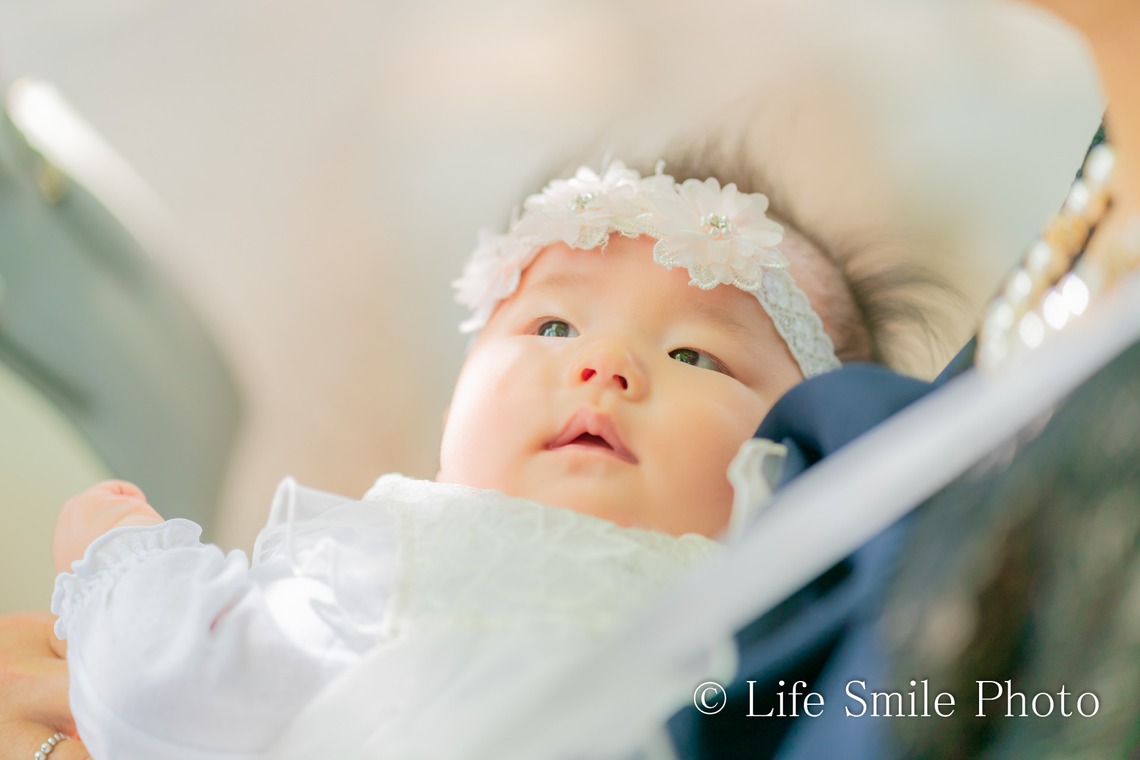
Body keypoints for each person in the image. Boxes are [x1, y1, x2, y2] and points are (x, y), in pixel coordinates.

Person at [44, 157, 920, 759]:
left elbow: (159, 681)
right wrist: (125, 561)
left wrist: (114, 557)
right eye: (552, 326)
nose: (603, 365)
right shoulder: (413, 552)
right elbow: (179, 692)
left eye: (696, 356)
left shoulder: (788, 619)